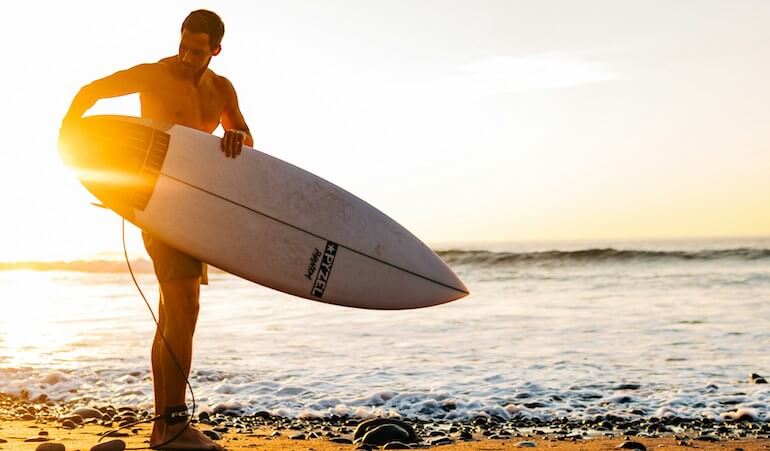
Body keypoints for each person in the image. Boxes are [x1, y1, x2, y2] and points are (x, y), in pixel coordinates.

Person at [61, 10, 251, 451]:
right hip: (155, 203)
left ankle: (163, 425)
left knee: (178, 310)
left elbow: (242, 131)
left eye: (197, 50)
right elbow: (92, 92)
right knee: (182, 303)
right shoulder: (155, 74)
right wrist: (68, 132)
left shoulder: (222, 89)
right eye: (184, 45)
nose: (186, 55)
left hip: (197, 207)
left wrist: (239, 135)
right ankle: (173, 425)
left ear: (215, 50)